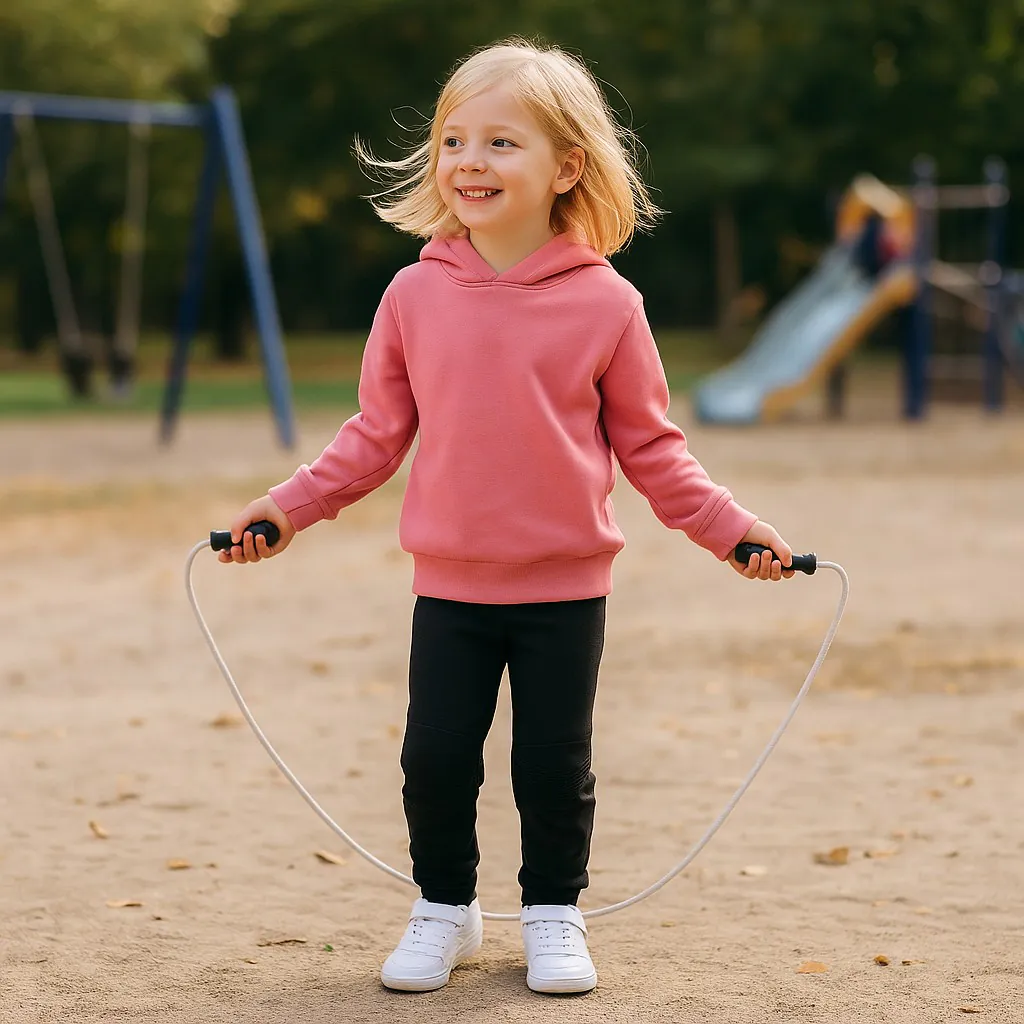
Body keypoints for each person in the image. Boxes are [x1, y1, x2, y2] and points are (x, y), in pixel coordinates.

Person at [218, 37, 795, 996]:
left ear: (567, 166)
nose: (469, 162)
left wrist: (732, 530)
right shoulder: (412, 294)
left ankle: (553, 915)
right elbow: (373, 435)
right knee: (435, 756)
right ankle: (443, 909)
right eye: (454, 140)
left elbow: (654, 450)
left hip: (567, 588)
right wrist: (286, 509)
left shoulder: (609, 304)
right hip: (449, 583)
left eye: (500, 142)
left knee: (552, 764)